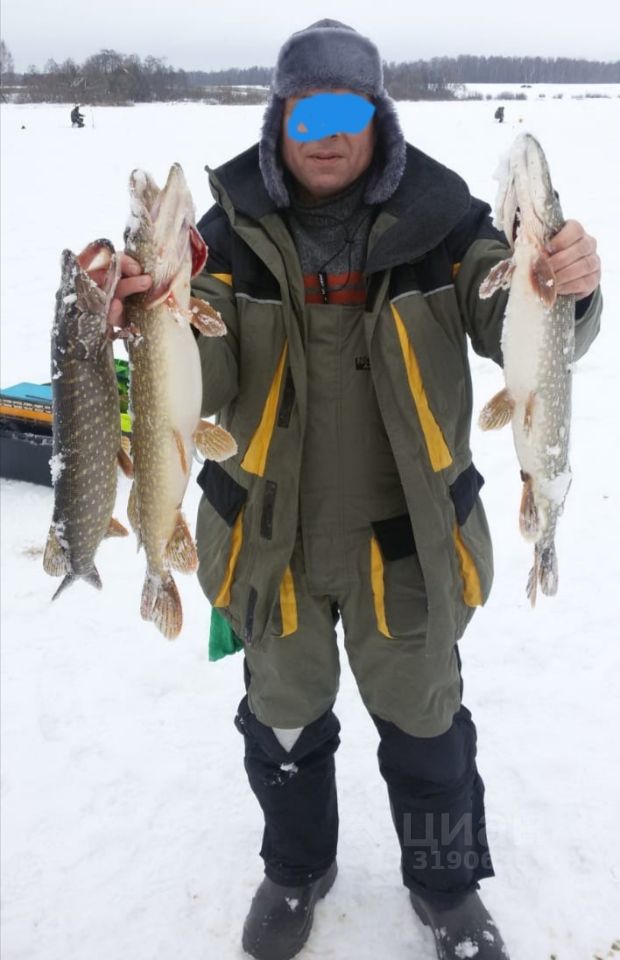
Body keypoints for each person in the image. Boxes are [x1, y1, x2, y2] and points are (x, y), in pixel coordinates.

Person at [103, 20, 601, 960]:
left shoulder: (448, 226)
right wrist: (141, 319)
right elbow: (200, 380)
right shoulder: (221, 240)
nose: (326, 134)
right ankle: (296, 869)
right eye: (307, 111)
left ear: (378, 118)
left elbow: (520, 322)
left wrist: (565, 290)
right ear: (279, 119)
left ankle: (446, 886)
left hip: (407, 541)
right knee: (284, 724)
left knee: (428, 728)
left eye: (348, 111)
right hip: (270, 539)